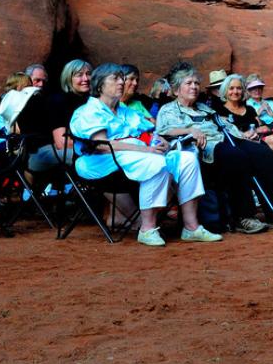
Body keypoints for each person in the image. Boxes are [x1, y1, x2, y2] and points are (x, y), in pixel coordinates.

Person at [72, 64, 221, 247]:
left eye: (122, 78)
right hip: (101, 160)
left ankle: (191, 227)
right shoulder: (89, 111)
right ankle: (147, 229)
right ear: (100, 85)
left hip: (135, 156)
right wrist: (147, 150)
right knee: (155, 161)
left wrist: (159, 141)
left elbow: (149, 131)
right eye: (115, 78)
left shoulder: (125, 110)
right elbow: (102, 145)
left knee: (187, 158)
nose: (122, 82)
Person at [156, 69, 273, 233]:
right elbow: (163, 130)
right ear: (176, 90)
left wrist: (244, 135)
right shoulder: (168, 110)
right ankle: (243, 216)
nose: (194, 87)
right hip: (204, 148)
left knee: (263, 153)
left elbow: (227, 127)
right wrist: (190, 131)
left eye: (196, 83)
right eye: (188, 83)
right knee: (236, 157)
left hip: (225, 139)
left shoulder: (204, 108)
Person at [22, 60, 90, 180]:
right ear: (68, 78)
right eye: (79, 75)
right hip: (47, 150)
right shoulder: (58, 101)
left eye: (89, 74)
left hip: (79, 147)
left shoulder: (92, 101)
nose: (86, 78)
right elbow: (62, 142)